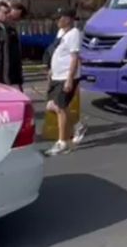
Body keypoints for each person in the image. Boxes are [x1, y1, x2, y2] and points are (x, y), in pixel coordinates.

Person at [44, 8, 87, 156]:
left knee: (60, 107)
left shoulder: (74, 34)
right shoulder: (61, 32)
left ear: (68, 19)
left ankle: (62, 142)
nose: (57, 21)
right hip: (57, 75)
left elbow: (75, 57)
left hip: (66, 77)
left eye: (60, 18)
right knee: (51, 105)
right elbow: (57, 51)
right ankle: (77, 125)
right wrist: (51, 70)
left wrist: (70, 79)